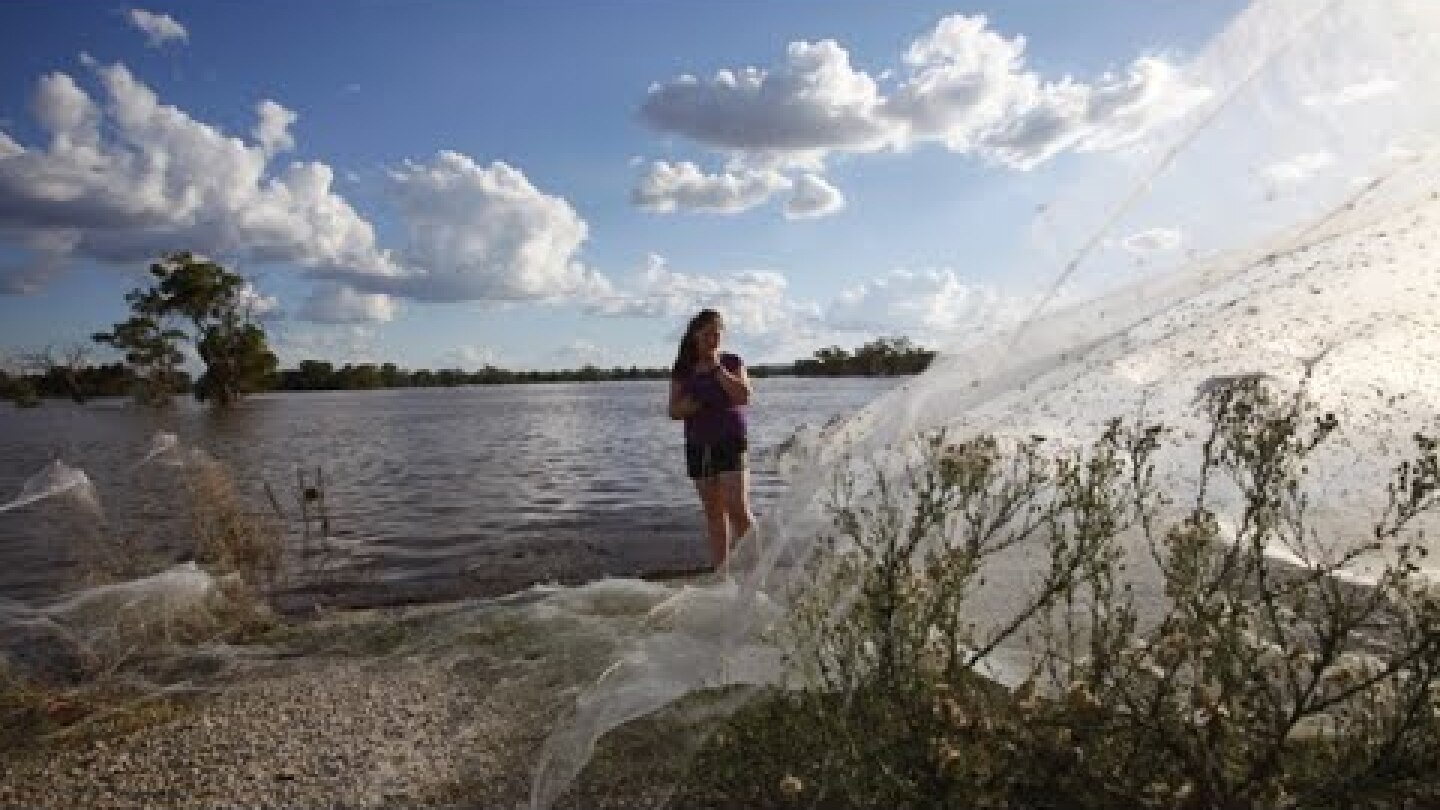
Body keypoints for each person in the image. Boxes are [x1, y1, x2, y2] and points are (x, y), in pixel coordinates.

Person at [668, 309, 754, 571]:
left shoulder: (732, 361)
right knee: (714, 513)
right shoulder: (684, 368)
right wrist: (695, 404)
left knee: (737, 508)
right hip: (698, 445)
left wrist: (718, 371)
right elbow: (673, 410)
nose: (712, 339)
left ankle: (757, 571)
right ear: (695, 336)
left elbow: (744, 396)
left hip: (730, 440)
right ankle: (722, 575)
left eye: (717, 334)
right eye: (707, 334)